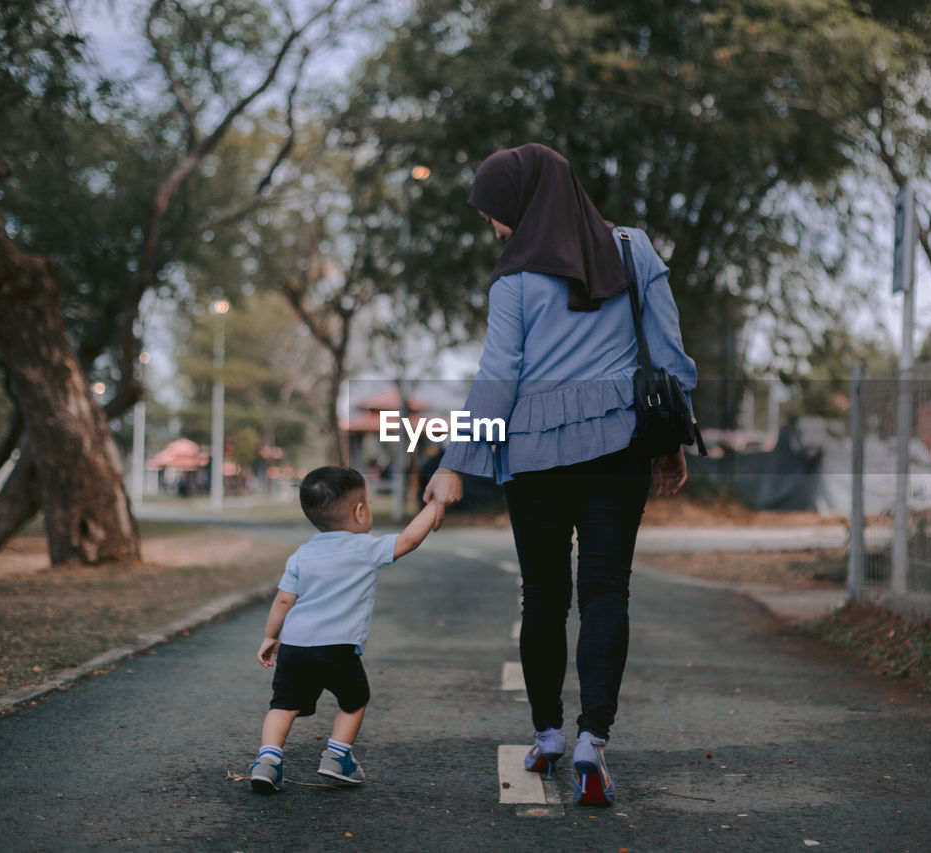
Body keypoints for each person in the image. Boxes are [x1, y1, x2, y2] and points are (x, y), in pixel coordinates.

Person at [423, 142, 696, 806]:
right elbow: (667, 351)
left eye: (496, 213)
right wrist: (672, 438)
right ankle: (590, 742)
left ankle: (546, 734)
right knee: (606, 591)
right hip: (617, 444)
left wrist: (455, 463)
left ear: (522, 204)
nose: (495, 227)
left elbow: (497, 379)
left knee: (542, 596)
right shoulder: (632, 248)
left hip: (534, 456)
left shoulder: (515, 278)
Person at [249, 466, 439, 793]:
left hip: (295, 647)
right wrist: (436, 505)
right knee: (354, 700)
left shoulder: (302, 555)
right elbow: (409, 539)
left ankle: (268, 761)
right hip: (338, 648)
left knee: (283, 705)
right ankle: (337, 757)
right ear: (360, 510)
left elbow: (283, 601)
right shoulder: (365, 548)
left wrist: (270, 637)